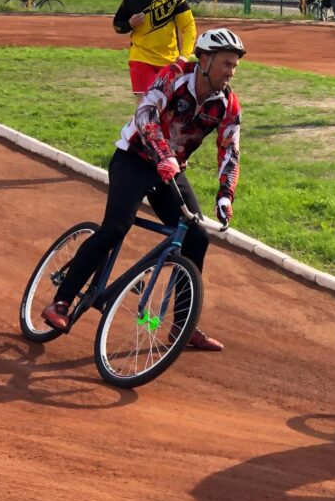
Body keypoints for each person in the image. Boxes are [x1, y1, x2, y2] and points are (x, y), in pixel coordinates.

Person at [40, 28, 247, 352]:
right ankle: (61, 302)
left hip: (171, 169)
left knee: (196, 238)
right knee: (115, 228)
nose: (231, 72)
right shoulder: (175, 75)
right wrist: (162, 153)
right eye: (226, 64)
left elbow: (230, 151)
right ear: (204, 60)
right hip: (134, 158)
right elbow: (146, 114)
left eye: (234, 65)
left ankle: (183, 326)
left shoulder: (227, 104)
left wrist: (225, 195)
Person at [113, 0, 197, 101]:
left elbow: (189, 27)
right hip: (140, 58)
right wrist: (129, 24)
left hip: (169, 62)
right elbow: (117, 25)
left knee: (168, 107)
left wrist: (184, 55)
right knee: (145, 107)